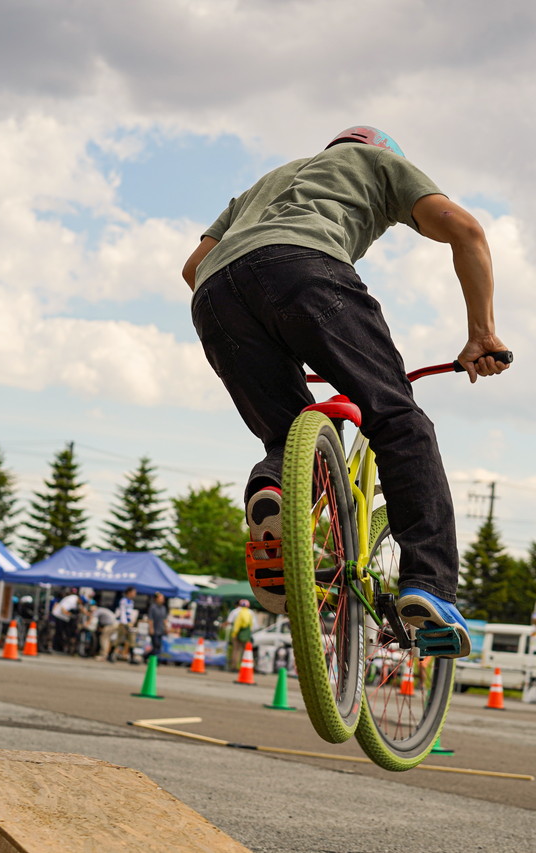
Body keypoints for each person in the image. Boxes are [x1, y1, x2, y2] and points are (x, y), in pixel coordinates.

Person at [183, 126, 509, 659]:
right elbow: (465, 231)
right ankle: (429, 586)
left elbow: (192, 268)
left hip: (216, 296)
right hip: (305, 267)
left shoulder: (267, 182)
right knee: (398, 419)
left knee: (290, 435)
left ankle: (276, 496)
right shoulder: (376, 162)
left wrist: (268, 337)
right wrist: (482, 333)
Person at [110, 586, 139, 663]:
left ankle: (132, 657)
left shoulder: (131, 602)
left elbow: (130, 614)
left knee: (131, 639)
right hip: (123, 623)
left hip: (129, 623)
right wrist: (125, 623)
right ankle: (110, 655)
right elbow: (122, 612)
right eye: (133, 592)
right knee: (119, 639)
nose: (135, 594)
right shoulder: (123, 601)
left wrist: (131, 622)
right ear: (129, 592)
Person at [50, 588, 82, 654]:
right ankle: (56, 647)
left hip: (65, 618)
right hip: (59, 615)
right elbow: (63, 609)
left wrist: (88, 613)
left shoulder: (77, 600)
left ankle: (64, 646)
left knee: (67, 631)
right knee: (59, 631)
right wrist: (70, 615)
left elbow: (82, 608)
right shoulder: (71, 600)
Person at [226, 599, 255, 672]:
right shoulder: (251, 612)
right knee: (245, 651)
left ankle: (234, 666)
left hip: (236, 634)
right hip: (246, 634)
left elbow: (229, 622)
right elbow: (254, 626)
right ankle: (244, 667)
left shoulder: (235, 611)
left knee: (236, 650)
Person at [146, 591, 169, 661]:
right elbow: (150, 619)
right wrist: (151, 628)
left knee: (159, 646)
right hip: (154, 629)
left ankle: (148, 656)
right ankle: (153, 659)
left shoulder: (163, 608)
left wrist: (166, 627)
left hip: (161, 630)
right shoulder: (153, 607)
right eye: (161, 598)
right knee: (155, 645)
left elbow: (164, 619)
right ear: (156, 599)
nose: (162, 599)